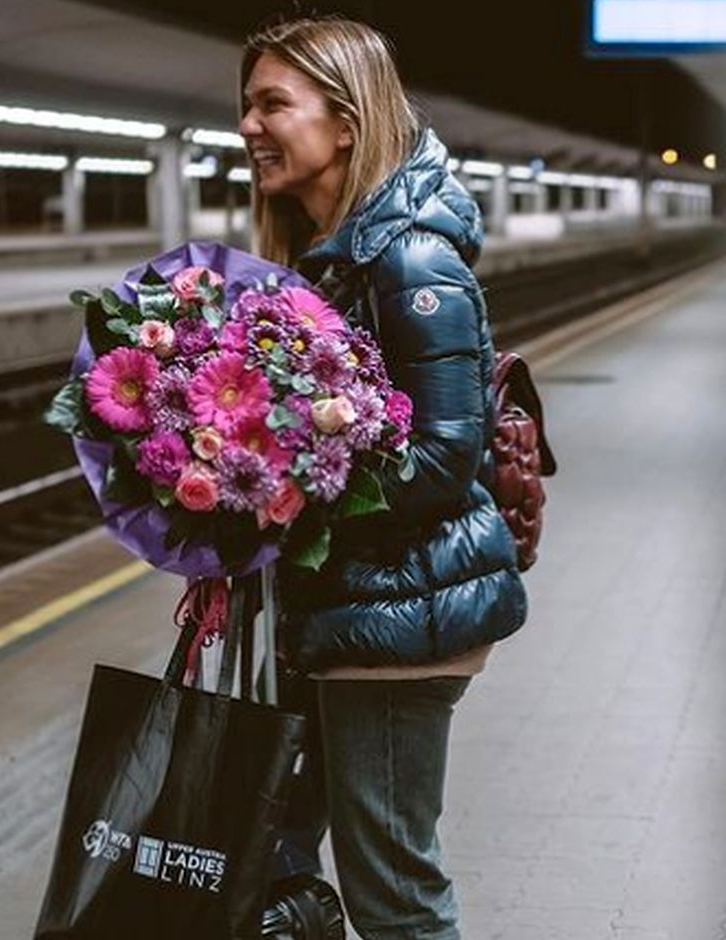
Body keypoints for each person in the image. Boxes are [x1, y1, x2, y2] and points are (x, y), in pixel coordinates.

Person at [238, 15, 528, 940]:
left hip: (401, 616)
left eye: (272, 104)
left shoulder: (410, 259)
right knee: (283, 853)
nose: (248, 125)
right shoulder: (336, 258)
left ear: (346, 121)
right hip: (353, 608)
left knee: (395, 896)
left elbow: (444, 461)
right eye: (247, 104)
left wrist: (281, 493)